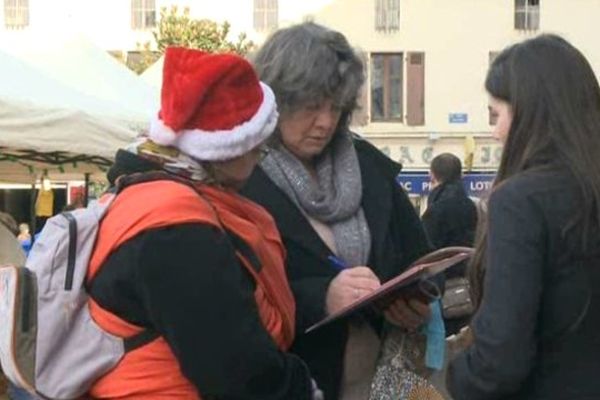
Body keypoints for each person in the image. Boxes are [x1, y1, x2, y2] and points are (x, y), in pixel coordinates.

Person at [85, 48, 319, 399]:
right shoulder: (176, 228)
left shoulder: (136, 196)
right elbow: (236, 370)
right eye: (258, 147)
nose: (259, 158)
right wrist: (303, 388)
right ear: (228, 148)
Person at [242, 22, 433, 400]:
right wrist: (321, 299)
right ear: (276, 100)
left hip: (380, 384)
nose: (326, 121)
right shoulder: (243, 178)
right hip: (291, 384)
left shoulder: (368, 166)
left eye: (336, 106)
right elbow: (233, 298)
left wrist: (416, 295)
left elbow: (420, 256)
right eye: (312, 106)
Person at [447, 35, 600, 399]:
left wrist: (456, 377)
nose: (495, 132)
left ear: (531, 113)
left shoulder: (519, 201)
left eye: (496, 115)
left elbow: (500, 360)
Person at [422, 153, 477, 335]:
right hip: (472, 291)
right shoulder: (474, 207)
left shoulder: (435, 211)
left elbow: (424, 255)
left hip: (442, 295)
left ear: (432, 176)